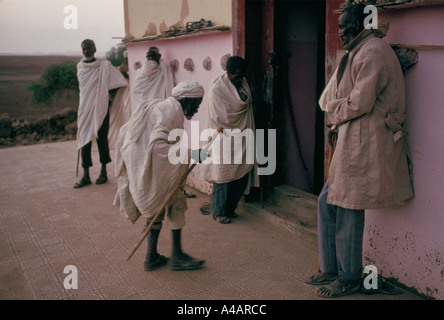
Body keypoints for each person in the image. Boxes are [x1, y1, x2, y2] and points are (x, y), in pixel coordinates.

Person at [305, 3, 414, 298]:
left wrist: (332, 112)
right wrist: (336, 115)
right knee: (328, 202)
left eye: (345, 25)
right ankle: (330, 268)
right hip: (351, 141)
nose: (341, 31)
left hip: (364, 144)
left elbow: (359, 103)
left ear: (364, 23)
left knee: (349, 208)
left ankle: (350, 276)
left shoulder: (374, 51)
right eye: (339, 26)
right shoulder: (361, 50)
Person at [113, 81, 206, 271]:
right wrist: (193, 154)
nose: (195, 111)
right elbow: (157, 148)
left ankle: (151, 257)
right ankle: (177, 256)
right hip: (148, 164)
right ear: (186, 101)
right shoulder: (171, 112)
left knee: (161, 206)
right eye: (196, 106)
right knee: (174, 202)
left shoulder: (164, 105)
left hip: (142, 162)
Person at [200, 56, 259, 224]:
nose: (239, 79)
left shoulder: (243, 83)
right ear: (228, 73)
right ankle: (218, 212)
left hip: (242, 137)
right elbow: (222, 116)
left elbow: (245, 103)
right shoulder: (217, 88)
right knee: (223, 176)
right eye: (236, 76)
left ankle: (230, 209)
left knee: (241, 175)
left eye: (241, 76)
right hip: (223, 137)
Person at [74, 39, 127, 188]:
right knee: (84, 140)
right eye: (83, 49)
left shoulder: (104, 65)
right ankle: (86, 175)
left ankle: (103, 172)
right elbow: (84, 89)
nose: (86, 51)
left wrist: (109, 98)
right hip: (85, 108)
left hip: (101, 107)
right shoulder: (81, 67)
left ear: (94, 48)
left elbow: (119, 81)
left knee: (102, 139)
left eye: (88, 48)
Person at [131, 46, 174, 114]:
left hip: (145, 107)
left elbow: (137, 89)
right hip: (155, 107)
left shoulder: (141, 71)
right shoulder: (162, 69)